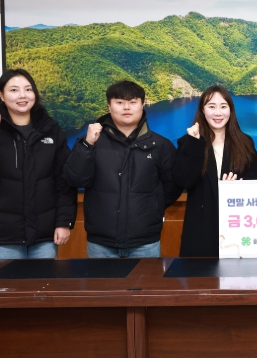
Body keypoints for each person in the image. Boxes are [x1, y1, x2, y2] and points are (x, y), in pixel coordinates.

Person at [0, 69, 76, 259]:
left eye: (28, 89)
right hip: (3, 237)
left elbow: (63, 181)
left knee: (44, 280)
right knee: (3, 280)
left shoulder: (51, 129)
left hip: (44, 236)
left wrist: (64, 222)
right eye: (14, 90)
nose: (22, 95)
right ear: (1, 95)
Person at [63, 80, 185, 258]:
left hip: (145, 241)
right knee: (100, 279)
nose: (126, 107)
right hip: (101, 242)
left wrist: (153, 206)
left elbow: (172, 186)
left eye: (133, 102)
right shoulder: (90, 142)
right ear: (109, 106)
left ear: (142, 105)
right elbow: (75, 179)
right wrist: (87, 145)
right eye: (119, 102)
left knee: (146, 278)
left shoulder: (160, 145)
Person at [178, 86, 257, 257]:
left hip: (236, 226)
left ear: (230, 110)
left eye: (223, 106)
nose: (218, 113)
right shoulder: (188, 142)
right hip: (201, 229)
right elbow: (184, 181)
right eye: (211, 106)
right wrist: (194, 144)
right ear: (203, 110)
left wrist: (239, 186)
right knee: (200, 273)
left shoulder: (245, 142)